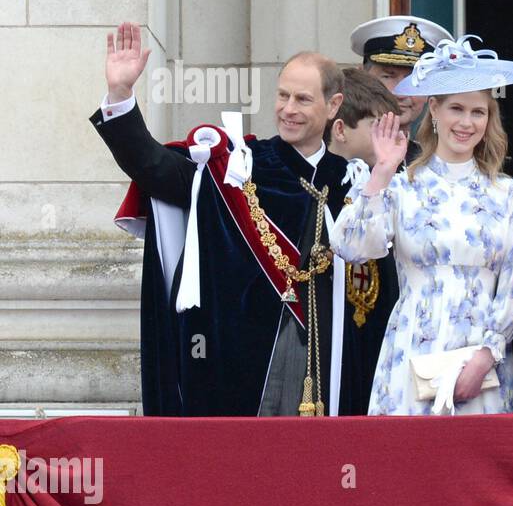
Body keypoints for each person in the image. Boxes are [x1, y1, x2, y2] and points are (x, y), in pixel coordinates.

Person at [95, 22, 353, 417]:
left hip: (333, 363)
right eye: (282, 96)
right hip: (243, 371)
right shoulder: (240, 166)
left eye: (303, 99)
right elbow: (157, 169)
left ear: (333, 105)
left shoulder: (353, 180)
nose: (287, 109)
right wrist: (121, 95)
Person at [330, 35, 513, 415]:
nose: (467, 122)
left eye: (479, 112)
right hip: (412, 351)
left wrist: (486, 356)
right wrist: (382, 172)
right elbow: (351, 247)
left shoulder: (511, 195)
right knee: (408, 467)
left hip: (483, 361)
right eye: (456, 109)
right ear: (435, 111)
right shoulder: (401, 185)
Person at [326, 68, 403, 415]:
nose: (391, 141)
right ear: (340, 129)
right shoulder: (315, 190)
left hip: (379, 344)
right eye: (379, 130)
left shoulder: (393, 189)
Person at [349, 15, 454, 162]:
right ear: (362, 78)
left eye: (413, 79)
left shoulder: (434, 164)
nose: (401, 92)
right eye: (388, 76)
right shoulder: (342, 156)